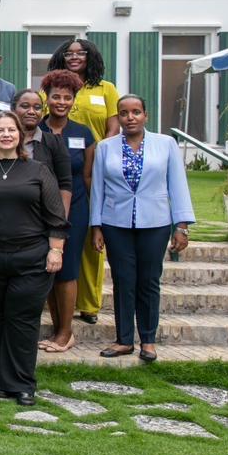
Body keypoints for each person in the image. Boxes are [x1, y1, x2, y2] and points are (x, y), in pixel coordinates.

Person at [0, 111, 68, 406]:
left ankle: (23, 383)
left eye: (11, 130)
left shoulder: (38, 170)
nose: (6, 135)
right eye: (0, 130)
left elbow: (56, 216)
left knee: (23, 320)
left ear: (21, 136)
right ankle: (3, 377)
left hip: (32, 258)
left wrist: (56, 250)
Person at [91, 95, 194, 363]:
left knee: (148, 281)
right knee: (123, 281)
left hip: (155, 223)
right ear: (118, 117)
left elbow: (178, 185)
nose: (130, 117)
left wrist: (181, 226)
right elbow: (98, 189)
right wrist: (96, 225)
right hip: (115, 223)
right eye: (124, 113)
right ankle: (124, 340)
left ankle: (148, 340)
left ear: (146, 115)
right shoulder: (105, 147)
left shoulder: (166, 144)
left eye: (136, 112)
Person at [46, 38, 120, 326]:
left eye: (81, 53)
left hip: (91, 164)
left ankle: (89, 304)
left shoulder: (106, 88)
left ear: (91, 56)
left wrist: (104, 150)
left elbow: (113, 125)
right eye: (69, 52)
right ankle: (60, 305)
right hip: (55, 173)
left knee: (89, 242)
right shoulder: (52, 87)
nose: (75, 56)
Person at [38, 70, 95, 353]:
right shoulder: (36, 129)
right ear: (46, 99)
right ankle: (57, 325)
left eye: (67, 97)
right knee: (49, 269)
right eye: (56, 96)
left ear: (74, 101)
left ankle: (65, 332)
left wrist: (95, 219)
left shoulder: (83, 133)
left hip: (76, 209)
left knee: (68, 269)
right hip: (42, 209)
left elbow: (87, 176)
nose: (61, 101)